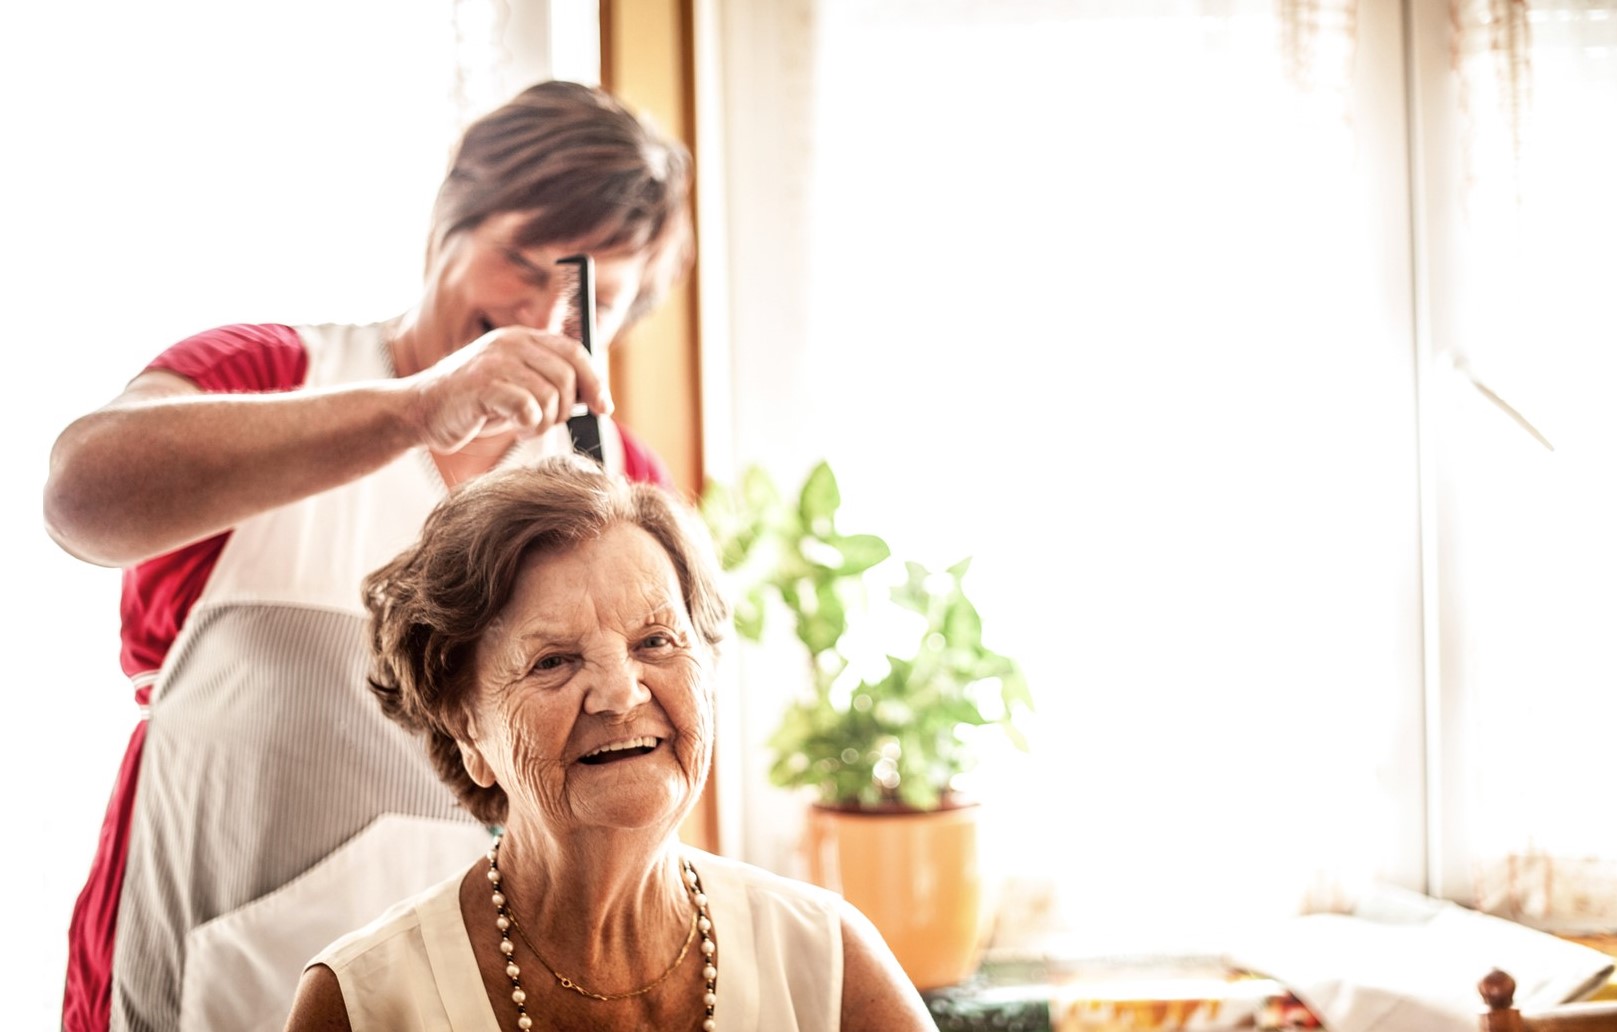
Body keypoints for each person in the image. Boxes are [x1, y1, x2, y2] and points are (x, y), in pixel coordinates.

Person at [43, 80, 693, 1032]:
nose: (544, 315)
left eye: (596, 294)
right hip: (205, 950)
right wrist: (417, 410)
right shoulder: (270, 377)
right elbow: (79, 497)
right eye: (523, 260)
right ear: (446, 224)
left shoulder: (613, 479)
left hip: (462, 986)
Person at [283, 456, 938, 1031]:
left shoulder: (826, 962)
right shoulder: (362, 1004)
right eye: (553, 661)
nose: (620, 694)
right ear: (465, 729)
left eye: (654, 642)